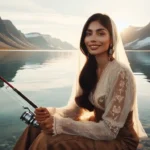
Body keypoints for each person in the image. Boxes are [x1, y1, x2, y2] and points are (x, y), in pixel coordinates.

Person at [13, 13, 148, 150]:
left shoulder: (121, 73)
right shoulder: (89, 70)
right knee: (34, 127)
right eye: (89, 34)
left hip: (120, 140)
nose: (93, 39)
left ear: (111, 39)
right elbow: (74, 111)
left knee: (49, 140)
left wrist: (59, 125)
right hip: (98, 128)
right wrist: (49, 113)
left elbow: (110, 130)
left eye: (101, 34)